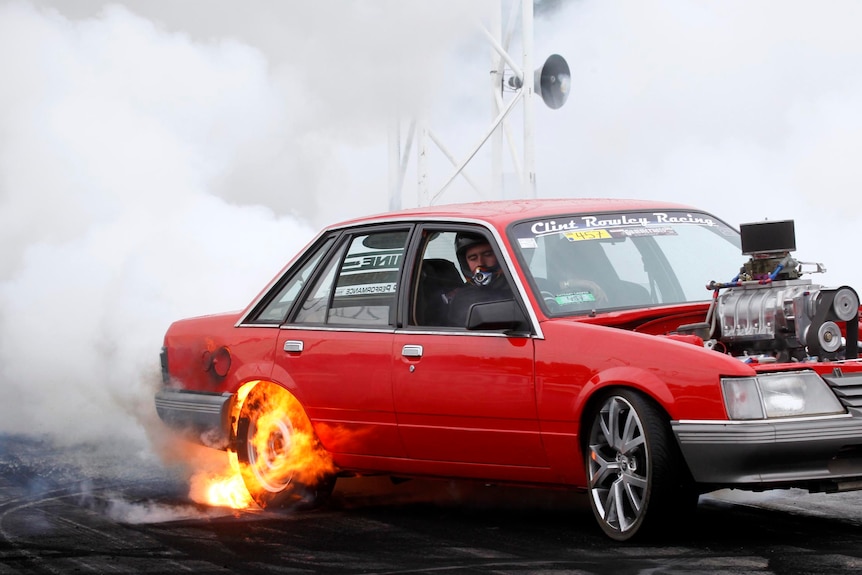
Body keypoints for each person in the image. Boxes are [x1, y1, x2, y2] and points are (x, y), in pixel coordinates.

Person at [445, 232, 512, 326]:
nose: (480, 263)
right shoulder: (463, 298)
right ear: (465, 264)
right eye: (473, 258)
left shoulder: (521, 288)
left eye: (488, 255)